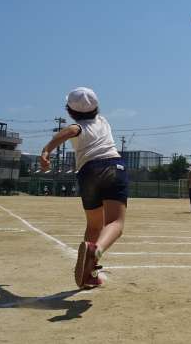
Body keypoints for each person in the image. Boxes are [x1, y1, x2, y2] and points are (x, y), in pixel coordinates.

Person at [40, 87, 128, 287]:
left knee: (94, 225)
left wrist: (46, 151)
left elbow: (72, 130)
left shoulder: (78, 127)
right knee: (115, 223)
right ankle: (96, 250)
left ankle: (88, 275)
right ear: (96, 107)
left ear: (70, 111)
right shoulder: (103, 121)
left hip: (87, 172)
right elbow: (74, 128)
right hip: (112, 167)